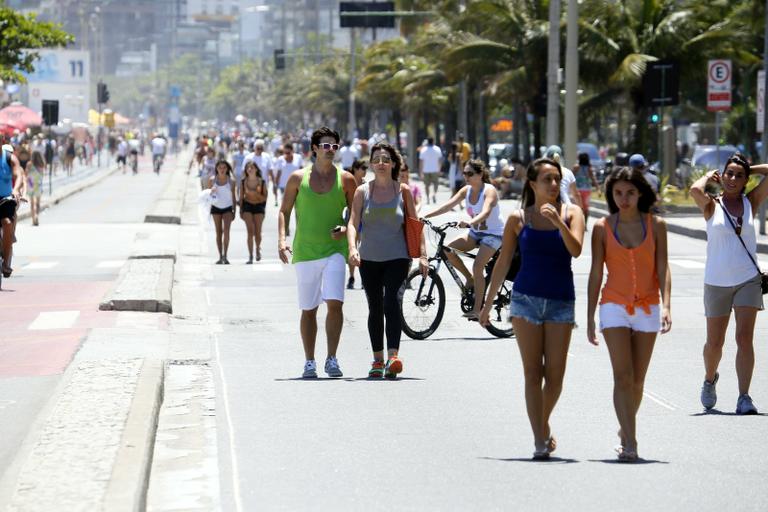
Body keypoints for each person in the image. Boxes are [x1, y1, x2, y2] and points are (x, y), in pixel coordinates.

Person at [479, 158, 585, 460]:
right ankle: (540, 438)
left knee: (555, 376)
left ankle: (542, 422)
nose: (553, 185)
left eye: (556, 179)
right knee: (532, 372)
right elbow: (502, 262)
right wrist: (486, 304)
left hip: (561, 300)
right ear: (532, 184)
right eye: (547, 180)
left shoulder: (572, 213)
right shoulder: (518, 218)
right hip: (525, 299)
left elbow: (576, 249)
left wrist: (557, 223)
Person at [586, 167, 672, 462]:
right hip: (613, 305)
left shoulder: (656, 225)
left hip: (648, 305)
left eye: (630, 193)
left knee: (637, 381)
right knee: (623, 376)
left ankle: (625, 428)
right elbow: (596, 272)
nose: (624, 199)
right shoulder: (602, 226)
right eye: (618, 193)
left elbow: (663, 268)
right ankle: (631, 441)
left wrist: (668, 305)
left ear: (640, 193)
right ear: (611, 194)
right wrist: (588, 318)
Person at [690, 153, 768, 414]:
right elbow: (693, 189)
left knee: (745, 338)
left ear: (746, 180)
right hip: (717, 281)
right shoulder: (711, 205)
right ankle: (709, 378)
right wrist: (707, 177)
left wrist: (750, 166)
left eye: (739, 175)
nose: (733, 178)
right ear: (721, 176)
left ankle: (744, 396)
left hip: (748, 278)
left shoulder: (750, 202)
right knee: (715, 343)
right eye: (729, 174)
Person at [278, 126, 357, 379]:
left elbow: (356, 216)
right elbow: (284, 211)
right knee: (309, 309)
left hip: (335, 249)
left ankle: (331, 358)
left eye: (334, 146)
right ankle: (309, 361)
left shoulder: (346, 179)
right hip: (305, 251)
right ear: (314, 148)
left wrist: (345, 228)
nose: (330, 150)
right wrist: (282, 239)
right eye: (325, 145)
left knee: (335, 303)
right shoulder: (297, 178)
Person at [347, 142, 427, 378]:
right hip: (369, 258)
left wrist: (423, 255)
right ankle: (377, 360)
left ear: (393, 164)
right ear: (371, 164)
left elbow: (415, 224)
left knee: (392, 301)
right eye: (377, 159)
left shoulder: (402, 191)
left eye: (386, 159)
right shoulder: (363, 191)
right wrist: (352, 249)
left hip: (397, 257)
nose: (381, 163)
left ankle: (393, 357)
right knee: (375, 306)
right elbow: (353, 223)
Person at [423, 159, 505, 319]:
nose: (466, 176)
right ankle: (470, 279)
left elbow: (486, 212)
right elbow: (447, 205)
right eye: (464, 173)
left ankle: (477, 309)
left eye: (470, 173)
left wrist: (470, 222)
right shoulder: (466, 190)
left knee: (478, 265)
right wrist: (425, 216)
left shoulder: (489, 191)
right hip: (475, 232)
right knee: (447, 250)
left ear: (480, 174)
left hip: (494, 234)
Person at [1, 145, 24, 277]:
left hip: (7, 198)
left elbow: (20, 177)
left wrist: (16, 191)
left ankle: (5, 261)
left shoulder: (10, 160)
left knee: (9, 221)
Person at [208, 160, 237, 264]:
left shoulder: (231, 181)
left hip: (228, 208)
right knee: (218, 232)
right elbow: (208, 196)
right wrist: (211, 192)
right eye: (220, 167)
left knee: (227, 231)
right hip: (215, 208)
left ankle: (225, 255)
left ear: (227, 169)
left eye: (224, 167)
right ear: (216, 169)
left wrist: (235, 211)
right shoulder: (212, 180)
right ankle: (220, 256)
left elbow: (234, 197)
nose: (222, 170)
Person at [346, 158, 368, 289]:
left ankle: (364, 278)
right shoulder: (349, 182)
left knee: (363, 249)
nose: (365, 171)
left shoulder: (366, 185)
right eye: (363, 168)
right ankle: (351, 276)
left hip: (365, 220)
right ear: (355, 169)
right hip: (351, 219)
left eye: (366, 168)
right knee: (352, 248)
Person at [239, 160, 268, 263]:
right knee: (250, 232)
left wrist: (255, 193)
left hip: (259, 207)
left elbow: (265, 198)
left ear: (256, 169)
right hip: (247, 207)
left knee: (258, 232)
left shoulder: (262, 182)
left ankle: (258, 249)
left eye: (252, 167)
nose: (250, 169)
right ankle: (251, 256)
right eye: (248, 168)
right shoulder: (243, 182)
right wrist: (240, 211)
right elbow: (241, 197)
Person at [274, 143, 304, 207]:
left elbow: (302, 171)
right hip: (283, 186)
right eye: (285, 152)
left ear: (292, 151)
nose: (286, 154)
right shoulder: (280, 159)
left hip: (297, 185)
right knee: (285, 206)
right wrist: (275, 185)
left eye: (288, 152)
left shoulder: (298, 157)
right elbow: (278, 173)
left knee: (298, 205)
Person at [573, 152, 599, 221]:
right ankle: (585, 223)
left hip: (577, 190)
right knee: (586, 208)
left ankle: (578, 221)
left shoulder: (576, 167)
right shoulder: (589, 168)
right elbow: (593, 178)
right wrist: (598, 189)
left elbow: (571, 177)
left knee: (578, 206)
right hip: (587, 190)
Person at [419, 137, 442, 204]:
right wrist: (439, 169)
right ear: (433, 141)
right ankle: (434, 194)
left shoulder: (423, 149)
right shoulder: (437, 149)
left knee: (426, 185)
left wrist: (420, 172)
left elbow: (421, 161)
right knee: (436, 184)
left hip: (426, 170)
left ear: (428, 141)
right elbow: (440, 160)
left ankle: (428, 198)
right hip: (435, 169)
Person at [27, 151, 45, 226]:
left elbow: (26, 173)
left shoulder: (29, 164)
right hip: (38, 184)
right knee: (38, 203)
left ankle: (33, 218)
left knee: (32, 203)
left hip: (31, 184)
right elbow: (42, 174)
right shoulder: (42, 164)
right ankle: (37, 215)